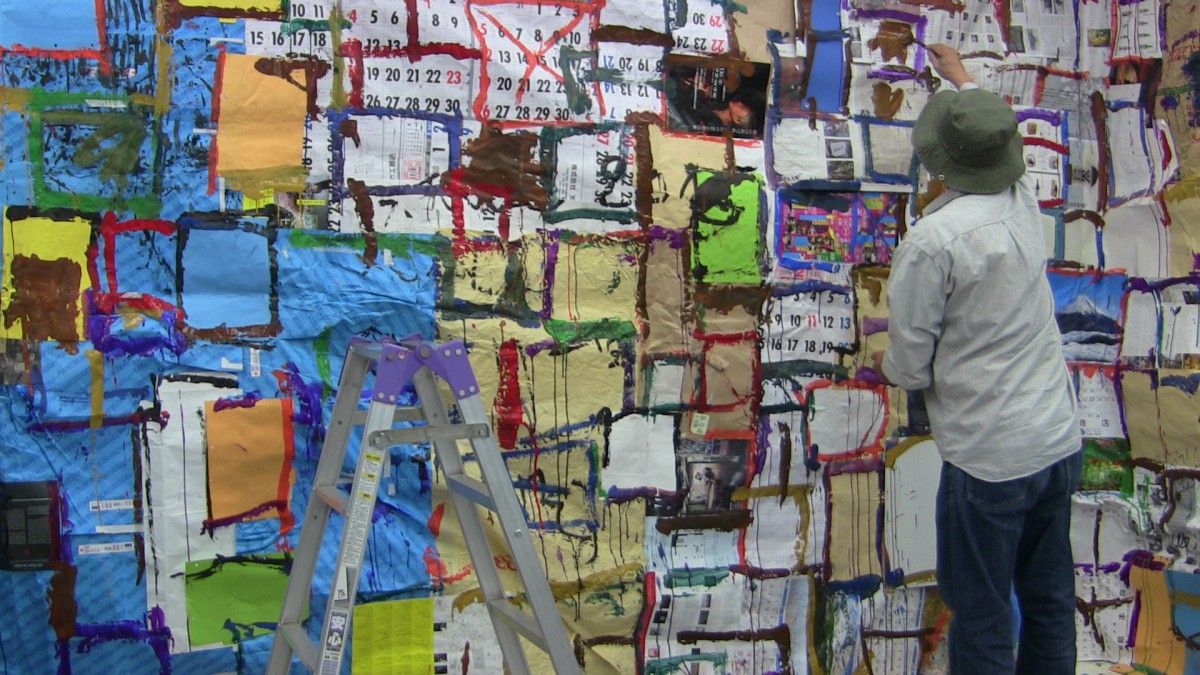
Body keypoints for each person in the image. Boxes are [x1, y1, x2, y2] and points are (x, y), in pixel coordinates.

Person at [870, 44, 1083, 673]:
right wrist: (961, 76)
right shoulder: (1021, 200)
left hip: (991, 459)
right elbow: (997, 128)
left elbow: (911, 366)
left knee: (984, 613)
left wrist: (881, 361)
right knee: (1049, 600)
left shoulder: (931, 242)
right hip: (1056, 440)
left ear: (938, 161)